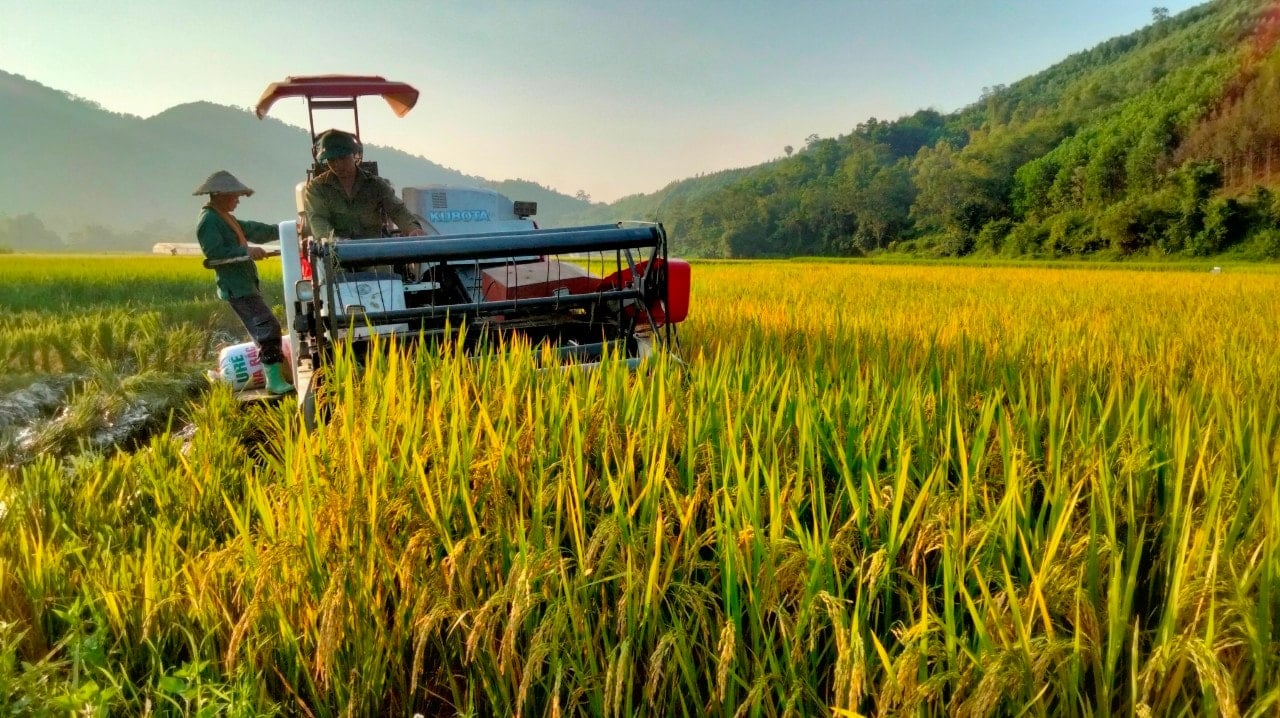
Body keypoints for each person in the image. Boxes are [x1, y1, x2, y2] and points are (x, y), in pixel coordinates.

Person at [193, 170, 294, 395]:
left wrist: (287, 231)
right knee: (267, 328)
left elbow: (254, 229)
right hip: (236, 286)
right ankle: (274, 382)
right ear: (219, 194)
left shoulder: (224, 217)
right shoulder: (208, 221)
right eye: (234, 196)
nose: (238, 200)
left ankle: (277, 376)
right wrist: (246, 252)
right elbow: (215, 253)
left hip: (245, 283)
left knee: (264, 329)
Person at [303, 129, 425, 241]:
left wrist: (413, 229)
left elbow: (397, 210)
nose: (338, 165)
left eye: (342, 158)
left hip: (374, 254)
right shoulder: (317, 188)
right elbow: (318, 219)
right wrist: (333, 241)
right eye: (332, 160)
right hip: (336, 257)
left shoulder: (375, 184)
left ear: (354, 155)